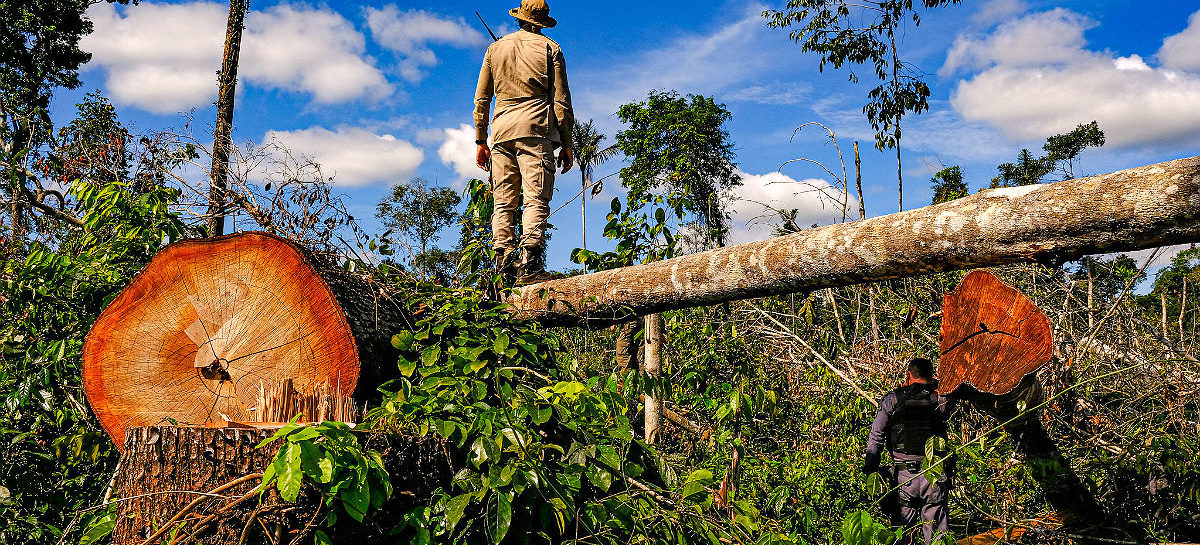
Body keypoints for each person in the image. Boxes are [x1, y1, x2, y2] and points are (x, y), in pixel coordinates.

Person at [474, 0, 574, 287]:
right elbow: (561, 102)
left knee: (503, 201)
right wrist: (566, 142)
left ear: (519, 19)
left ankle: (502, 266)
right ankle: (529, 265)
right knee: (535, 197)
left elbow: (482, 99)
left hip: (501, 132)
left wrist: (481, 139)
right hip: (536, 130)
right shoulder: (550, 49)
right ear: (541, 22)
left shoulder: (495, 49)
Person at [862, 357, 955, 545]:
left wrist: (871, 470)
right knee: (939, 537)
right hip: (934, 474)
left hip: (904, 477)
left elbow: (876, 437)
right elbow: (952, 395)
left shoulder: (892, 399)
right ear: (931, 376)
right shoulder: (940, 399)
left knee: (901, 537)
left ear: (908, 375)